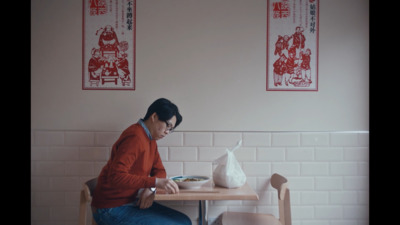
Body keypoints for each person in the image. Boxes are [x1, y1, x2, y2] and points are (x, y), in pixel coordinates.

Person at [91, 98, 191, 225]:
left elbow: (160, 170)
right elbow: (115, 177)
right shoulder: (135, 137)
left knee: (185, 221)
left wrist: (151, 188)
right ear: (154, 116)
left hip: (130, 202)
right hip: (110, 208)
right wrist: (155, 182)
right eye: (168, 125)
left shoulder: (150, 140)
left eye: (171, 129)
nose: (167, 132)